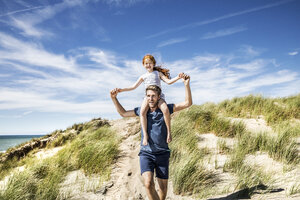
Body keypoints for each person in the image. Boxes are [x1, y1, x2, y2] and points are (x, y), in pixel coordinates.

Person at [110, 73, 192, 200]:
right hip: (146, 153)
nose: (151, 98)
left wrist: (186, 85)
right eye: (148, 96)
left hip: (163, 153)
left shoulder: (166, 109)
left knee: (163, 189)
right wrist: (114, 98)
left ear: (159, 97)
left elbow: (187, 103)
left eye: (153, 96)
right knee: (148, 184)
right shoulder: (142, 111)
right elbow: (123, 113)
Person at [117, 54, 183, 146]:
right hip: (148, 97)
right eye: (146, 63)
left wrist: (178, 77)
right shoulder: (143, 76)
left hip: (159, 97)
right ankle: (145, 135)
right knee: (142, 112)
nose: (148, 65)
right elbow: (133, 87)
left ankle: (168, 132)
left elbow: (168, 82)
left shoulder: (157, 73)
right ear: (143, 65)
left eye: (150, 63)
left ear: (153, 63)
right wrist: (121, 90)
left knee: (165, 110)